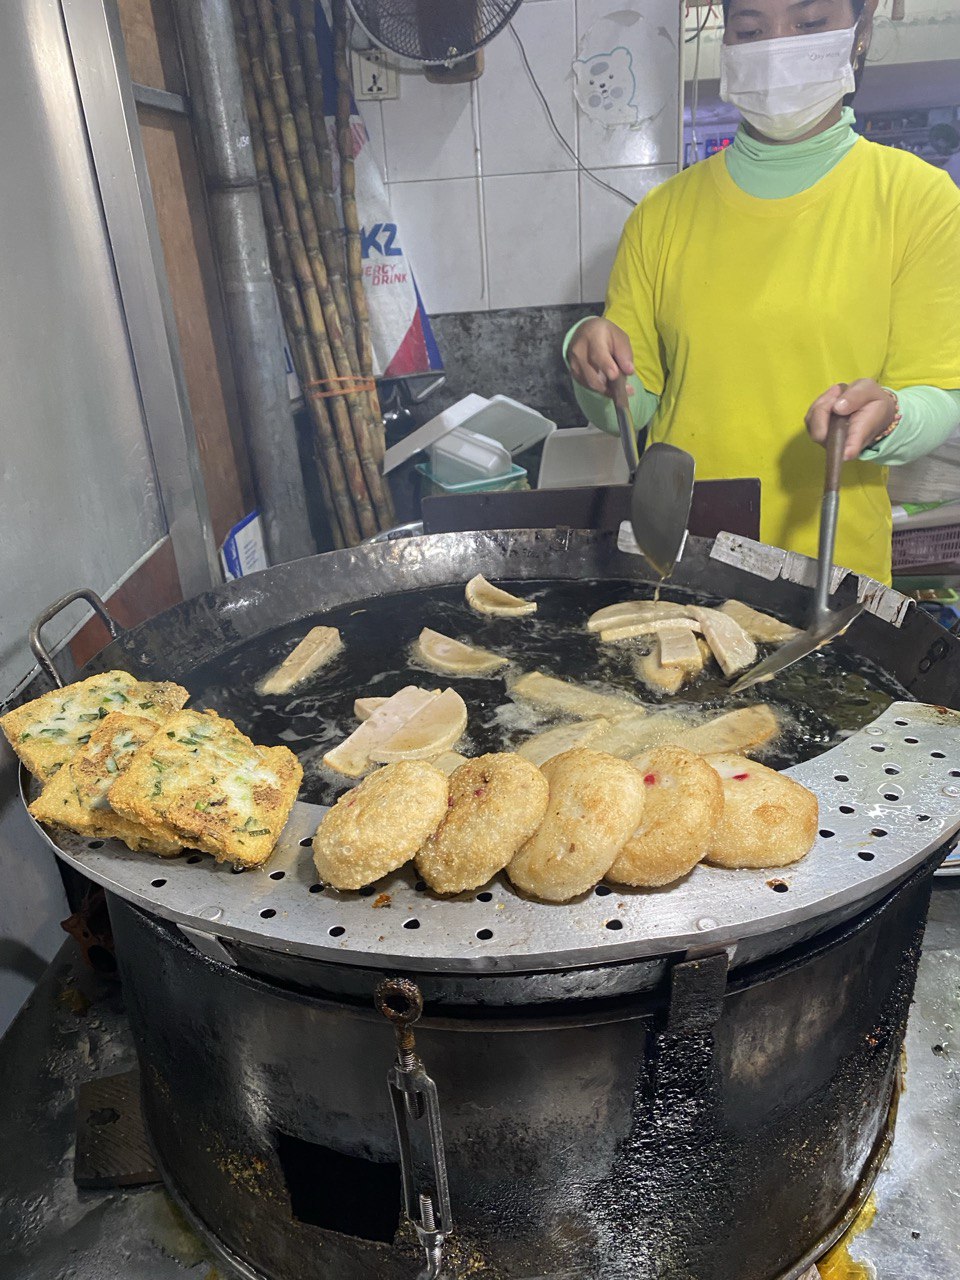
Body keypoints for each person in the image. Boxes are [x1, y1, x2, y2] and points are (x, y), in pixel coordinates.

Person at [566, 0, 960, 584]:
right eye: (750, 29)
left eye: (808, 24)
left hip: (831, 569)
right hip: (685, 560)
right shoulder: (660, 215)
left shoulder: (918, 201)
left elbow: (939, 392)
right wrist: (591, 358)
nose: (777, 47)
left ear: (861, 31)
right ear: (727, 42)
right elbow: (629, 405)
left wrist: (889, 416)